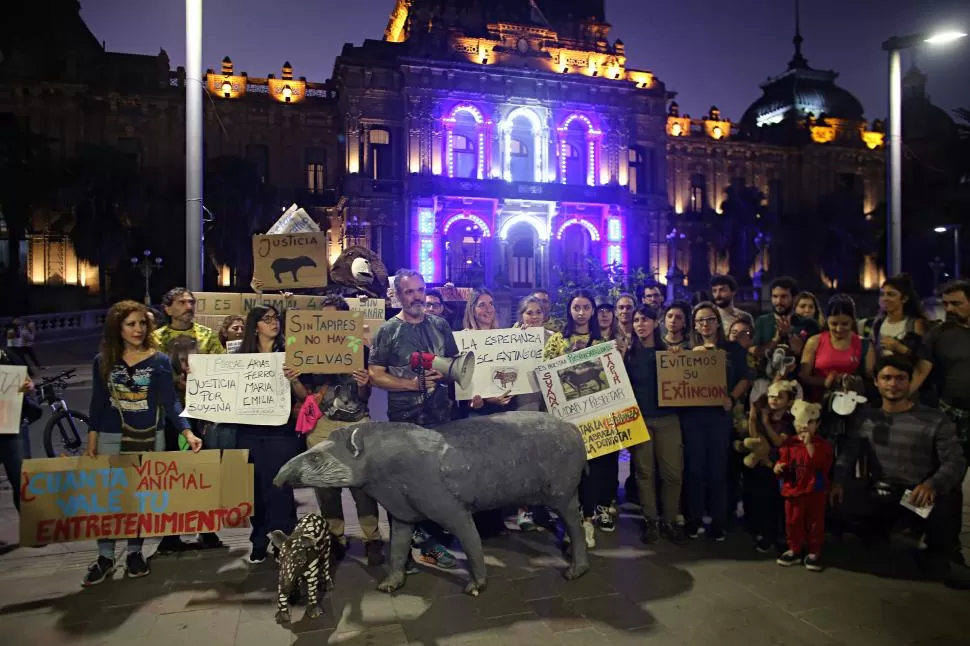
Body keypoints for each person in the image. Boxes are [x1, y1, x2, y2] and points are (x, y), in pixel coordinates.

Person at [83, 300, 203, 586]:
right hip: (112, 437)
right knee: (110, 499)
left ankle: (135, 552)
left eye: (142, 323)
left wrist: (186, 431)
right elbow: (97, 403)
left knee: (139, 498)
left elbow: (170, 401)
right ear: (118, 328)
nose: (138, 329)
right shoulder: (103, 361)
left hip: (151, 436)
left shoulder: (160, 360)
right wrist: (92, 440)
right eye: (131, 324)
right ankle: (105, 556)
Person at [831, 356, 967, 581]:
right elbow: (848, 453)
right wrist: (838, 480)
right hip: (882, 490)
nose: (893, 384)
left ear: (910, 381)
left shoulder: (935, 419)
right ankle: (875, 534)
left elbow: (955, 461)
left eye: (900, 378)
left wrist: (932, 484)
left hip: (917, 493)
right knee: (838, 503)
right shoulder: (867, 418)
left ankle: (936, 552)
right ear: (876, 381)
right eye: (886, 378)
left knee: (946, 505)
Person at [369, 269, 460, 570]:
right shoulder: (387, 331)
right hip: (404, 422)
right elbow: (375, 373)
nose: (417, 296)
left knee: (438, 484)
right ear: (397, 295)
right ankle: (402, 553)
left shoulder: (440, 326)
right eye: (409, 292)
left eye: (420, 290)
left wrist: (443, 375)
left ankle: (434, 545)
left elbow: (454, 365)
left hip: (439, 419)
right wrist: (410, 384)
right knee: (403, 488)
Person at [305, 295, 384, 566]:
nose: (329, 323)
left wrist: (364, 383)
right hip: (322, 425)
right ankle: (335, 537)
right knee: (326, 484)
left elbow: (366, 393)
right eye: (324, 318)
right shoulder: (309, 345)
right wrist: (296, 380)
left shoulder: (362, 350)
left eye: (334, 318)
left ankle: (372, 537)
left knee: (362, 483)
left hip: (356, 422)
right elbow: (305, 391)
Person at [153, 287, 227, 553]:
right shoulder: (155, 339)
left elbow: (223, 368)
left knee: (203, 473)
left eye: (191, 302)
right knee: (170, 475)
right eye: (182, 302)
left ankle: (207, 529)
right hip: (167, 418)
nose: (188, 306)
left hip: (202, 416)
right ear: (167, 308)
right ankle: (170, 533)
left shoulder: (206, 336)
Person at [234, 305, 308, 564]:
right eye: (267, 319)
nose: (273, 323)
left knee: (280, 487)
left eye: (276, 318)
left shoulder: (290, 353)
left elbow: (305, 398)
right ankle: (259, 538)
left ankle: (284, 539)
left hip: (282, 431)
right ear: (255, 326)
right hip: (249, 431)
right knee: (254, 488)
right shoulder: (238, 355)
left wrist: (295, 379)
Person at [544, 290, 611, 548]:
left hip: (594, 418)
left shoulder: (603, 341)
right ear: (570, 311)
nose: (581, 312)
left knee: (590, 471)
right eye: (576, 307)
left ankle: (587, 521)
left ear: (592, 311)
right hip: (566, 419)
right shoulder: (557, 341)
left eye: (585, 307)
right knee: (569, 472)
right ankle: (568, 522)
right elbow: (546, 373)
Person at [680, 301, 752, 541]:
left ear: (717, 323)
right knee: (694, 469)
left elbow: (744, 378)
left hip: (720, 415)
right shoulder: (687, 350)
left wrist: (732, 397)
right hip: (692, 416)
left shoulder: (733, 349)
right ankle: (695, 518)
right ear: (695, 326)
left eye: (710, 319)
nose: (705, 324)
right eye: (700, 320)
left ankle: (719, 521)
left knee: (718, 470)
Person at [911, 279, 970, 562]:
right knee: (948, 481)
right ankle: (946, 544)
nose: (949, 309)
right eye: (946, 303)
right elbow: (921, 372)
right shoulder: (940, 334)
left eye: (956, 303)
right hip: (950, 415)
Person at [624, 305, 686, 545]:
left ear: (655, 322)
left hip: (668, 419)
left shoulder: (669, 352)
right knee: (644, 473)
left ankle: (670, 519)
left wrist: (680, 359)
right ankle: (651, 520)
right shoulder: (628, 354)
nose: (640, 324)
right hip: (640, 420)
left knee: (672, 473)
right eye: (636, 320)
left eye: (645, 320)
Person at [774, 400, 832, 571]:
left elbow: (820, 463)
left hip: (814, 491)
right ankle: (794, 548)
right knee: (793, 521)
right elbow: (783, 461)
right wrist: (778, 467)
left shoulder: (822, 445)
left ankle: (814, 551)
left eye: (809, 423)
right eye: (800, 423)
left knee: (815, 522)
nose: (804, 427)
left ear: (817, 424)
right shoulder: (789, 444)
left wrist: (808, 445)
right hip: (793, 490)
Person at [743, 380, 796, 553]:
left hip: (778, 467)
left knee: (777, 504)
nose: (774, 399)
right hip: (762, 467)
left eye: (780, 397)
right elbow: (753, 434)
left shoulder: (789, 421)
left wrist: (766, 423)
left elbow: (779, 442)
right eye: (771, 396)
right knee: (762, 501)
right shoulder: (762, 416)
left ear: (789, 401)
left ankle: (778, 537)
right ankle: (764, 533)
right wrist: (753, 413)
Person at [799, 295, 873, 403]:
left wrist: (852, 381)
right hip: (819, 404)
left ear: (852, 321)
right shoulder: (814, 342)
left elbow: (871, 377)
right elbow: (803, 376)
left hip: (853, 404)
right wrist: (825, 381)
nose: (839, 329)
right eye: (834, 324)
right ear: (827, 321)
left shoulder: (864, 344)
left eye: (844, 324)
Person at [0, 348, 39, 513]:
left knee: (21, 480)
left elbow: (29, 382)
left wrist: (29, 386)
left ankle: (29, 529)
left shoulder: (7, 355)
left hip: (13, 424)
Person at [751, 277, 821, 362]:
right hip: (766, 375)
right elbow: (753, 352)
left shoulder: (810, 324)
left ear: (795, 298)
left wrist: (789, 334)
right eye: (775, 296)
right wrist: (775, 340)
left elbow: (805, 354)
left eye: (784, 297)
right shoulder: (762, 321)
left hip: (797, 375)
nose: (778, 301)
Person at [866, 275, 927, 369]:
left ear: (904, 298)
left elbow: (921, 359)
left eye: (891, 294)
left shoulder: (915, 324)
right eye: (882, 294)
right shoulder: (878, 324)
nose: (885, 298)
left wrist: (898, 347)